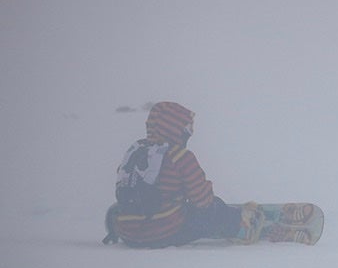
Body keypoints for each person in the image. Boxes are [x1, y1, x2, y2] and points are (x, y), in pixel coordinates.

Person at [104, 101, 262, 247]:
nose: (189, 133)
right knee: (214, 208)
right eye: (186, 128)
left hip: (129, 236)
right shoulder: (179, 156)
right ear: (175, 128)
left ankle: (124, 228)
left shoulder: (135, 152)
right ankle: (242, 226)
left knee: (123, 207)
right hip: (164, 233)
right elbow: (202, 200)